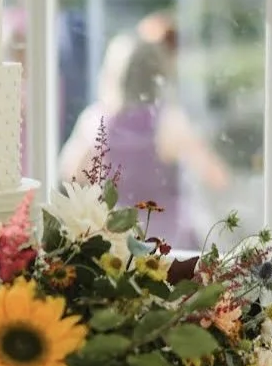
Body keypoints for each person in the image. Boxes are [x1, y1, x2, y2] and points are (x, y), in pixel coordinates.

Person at [57, 19, 230, 250]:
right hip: (169, 248)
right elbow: (216, 177)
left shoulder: (96, 120)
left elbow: (71, 175)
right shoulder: (169, 121)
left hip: (115, 245)